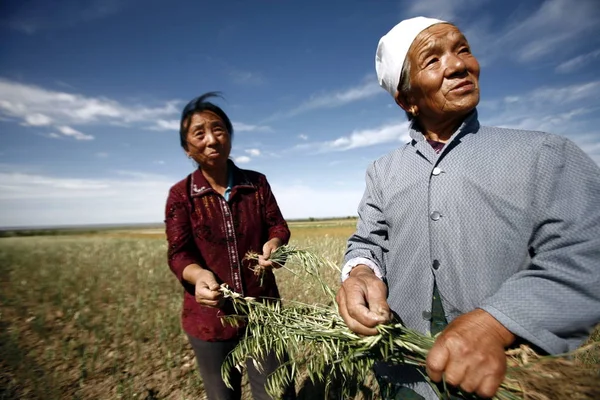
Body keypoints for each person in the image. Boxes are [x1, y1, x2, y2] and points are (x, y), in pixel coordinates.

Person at [335, 16, 600, 400]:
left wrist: (496, 325)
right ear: (407, 99)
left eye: (462, 49)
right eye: (433, 59)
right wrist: (360, 271)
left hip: (505, 378)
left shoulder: (545, 154)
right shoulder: (383, 172)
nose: (460, 64)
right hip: (405, 369)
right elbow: (368, 240)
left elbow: (585, 253)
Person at [165, 92, 295, 400]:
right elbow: (179, 252)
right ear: (187, 149)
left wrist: (275, 244)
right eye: (199, 133)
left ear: (230, 137)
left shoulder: (256, 184)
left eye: (218, 129)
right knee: (222, 395)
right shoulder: (181, 195)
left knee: (277, 392)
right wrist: (198, 276)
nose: (211, 139)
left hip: (264, 313)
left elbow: (278, 226)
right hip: (210, 318)